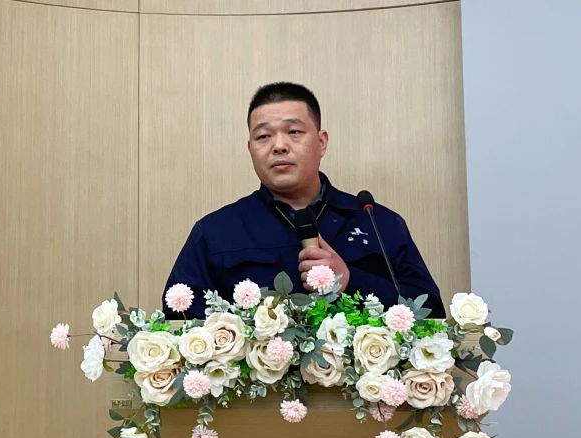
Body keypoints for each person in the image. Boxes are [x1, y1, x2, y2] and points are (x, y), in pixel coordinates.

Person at [163, 81, 444, 318]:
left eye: (294, 132)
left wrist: (350, 280)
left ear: (321, 142)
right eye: (263, 136)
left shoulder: (376, 221)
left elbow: (432, 316)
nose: (279, 146)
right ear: (250, 148)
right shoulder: (216, 232)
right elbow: (178, 325)